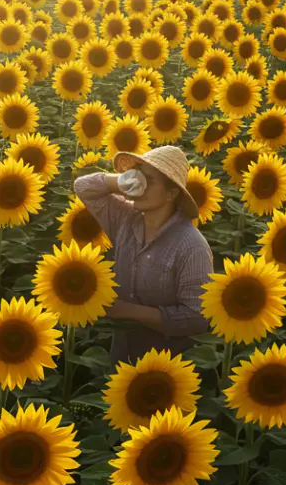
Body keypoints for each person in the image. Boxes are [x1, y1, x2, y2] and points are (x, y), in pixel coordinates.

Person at [73, 145, 214, 366]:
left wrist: (127, 311)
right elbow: (83, 186)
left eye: (149, 180)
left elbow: (196, 319)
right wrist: (122, 183)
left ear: (172, 193)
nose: (140, 186)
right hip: (120, 362)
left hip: (166, 372)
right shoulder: (126, 220)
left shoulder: (191, 246)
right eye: (138, 177)